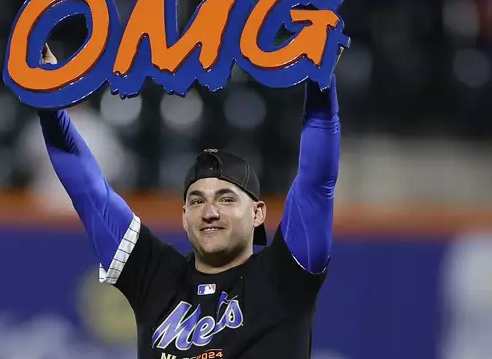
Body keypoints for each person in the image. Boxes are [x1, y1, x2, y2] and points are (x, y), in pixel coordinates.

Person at [36, 44, 341, 359]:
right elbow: (88, 190)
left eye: (226, 199)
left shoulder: (283, 276)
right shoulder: (154, 276)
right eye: (196, 201)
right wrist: (50, 105)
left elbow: (316, 181)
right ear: (183, 217)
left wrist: (321, 83)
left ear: (257, 214)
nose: (209, 212)